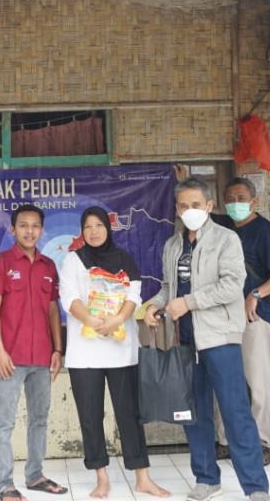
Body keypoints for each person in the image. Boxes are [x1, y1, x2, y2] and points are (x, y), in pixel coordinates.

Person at [144, 177, 270, 501]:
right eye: (183, 206)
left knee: (235, 411)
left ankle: (255, 486)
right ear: (176, 209)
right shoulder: (173, 246)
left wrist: (189, 302)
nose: (189, 211)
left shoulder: (226, 240)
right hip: (185, 341)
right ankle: (206, 477)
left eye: (196, 205)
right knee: (194, 413)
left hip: (220, 340)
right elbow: (168, 288)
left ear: (210, 206)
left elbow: (232, 285)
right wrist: (156, 306)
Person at [59, 207, 171, 499]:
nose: (93, 231)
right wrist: (94, 322)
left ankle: (142, 477)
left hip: (121, 351)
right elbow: (68, 297)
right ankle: (102, 478)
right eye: (87, 226)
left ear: (108, 228)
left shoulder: (124, 259)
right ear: (81, 231)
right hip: (84, 354)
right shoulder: (73, 261)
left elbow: (134, 295)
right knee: (90, 416)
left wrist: (117, 321)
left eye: (99, 225)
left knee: (130, 415)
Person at [0, 204, 68, 500]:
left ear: (42, 230)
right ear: (13, 229)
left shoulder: (48, 266)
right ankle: (5, 484)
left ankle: (35, 475)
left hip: (43, 358)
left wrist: (58, 349)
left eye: (35, 226)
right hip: (11, 358)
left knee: (39, 419)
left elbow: (52, 310)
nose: (29, 231)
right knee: (4, 421)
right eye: (23, 225)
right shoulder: (0, 263)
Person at [220, 176, 270, 462]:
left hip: (255, 316)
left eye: (241, 198)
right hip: (223, 316)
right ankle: (226, 440)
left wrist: (257, 294)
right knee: (226, 380)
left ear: (254, 201)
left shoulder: (265, 231)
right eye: (231, 199)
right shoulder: (222, 227)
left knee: (258, 381)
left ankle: (266, 443)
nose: (236, 204)